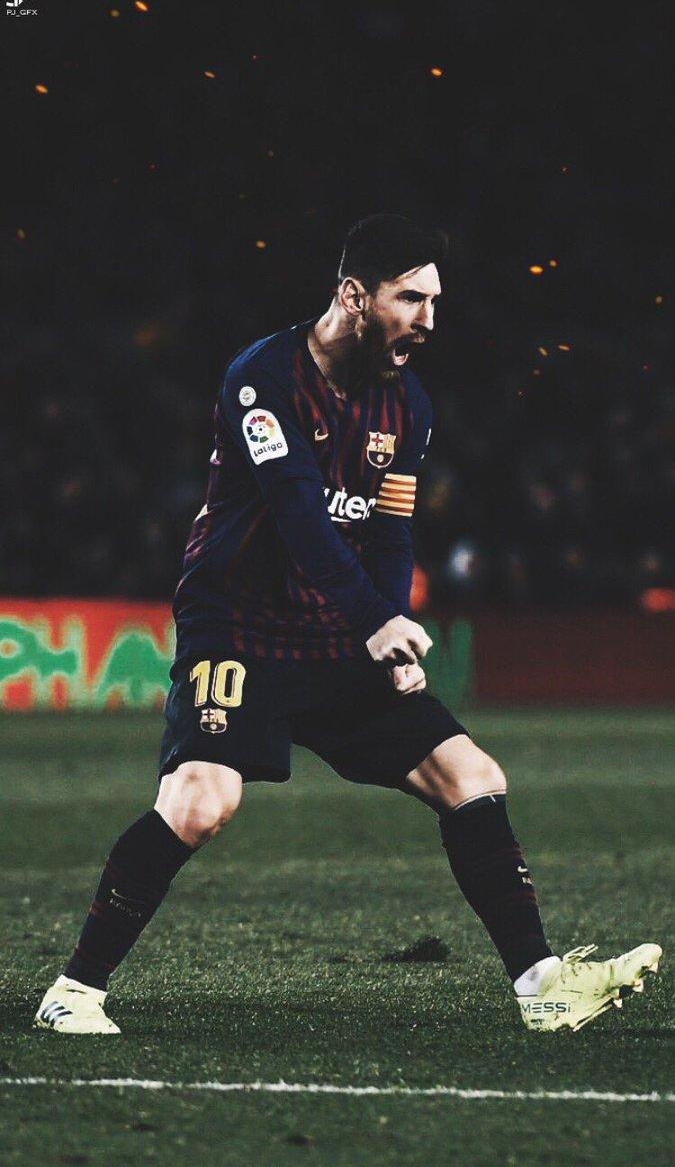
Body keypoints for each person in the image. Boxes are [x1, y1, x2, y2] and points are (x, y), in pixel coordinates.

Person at [35, 215, 661, 1036]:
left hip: (333, 631)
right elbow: (298, 513)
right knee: (200, 802)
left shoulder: (408, 406)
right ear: (354, 296)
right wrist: (374, 619)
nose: (428, 319)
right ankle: (73, 991)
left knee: (470, 776)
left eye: (435, 301)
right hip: (240, 626)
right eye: (411, 298)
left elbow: (389, 531)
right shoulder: (263, 378)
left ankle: (542, 986)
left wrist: (390, 624)